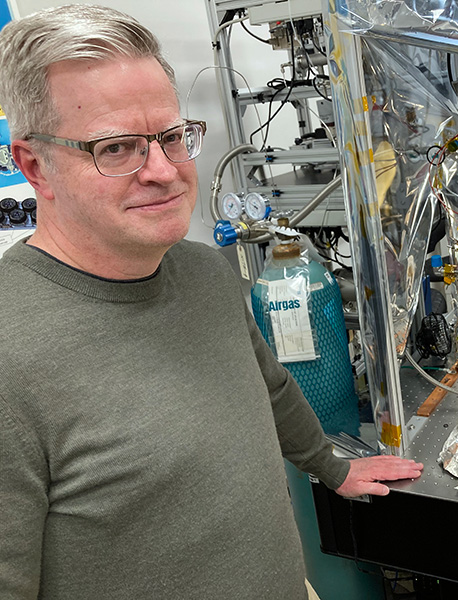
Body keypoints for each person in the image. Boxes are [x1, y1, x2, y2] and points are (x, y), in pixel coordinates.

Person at [0, 5, 423, 599]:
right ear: (34, 165)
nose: (164, 171)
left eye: (171, 137)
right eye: (117, 148)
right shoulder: (11, 354)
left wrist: (333, 466)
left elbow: (269, 386)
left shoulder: (202, 272)